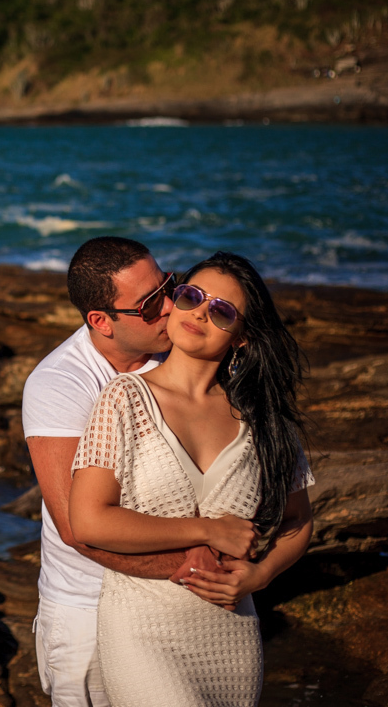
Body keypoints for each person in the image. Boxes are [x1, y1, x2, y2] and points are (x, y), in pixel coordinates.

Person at [68, 251, 315, 707]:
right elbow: (88, 521)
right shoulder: (124, 399)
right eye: (191, 296)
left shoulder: (264, 420)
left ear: (241, 337)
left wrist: (261, 574)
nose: (200, 311)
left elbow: (299, 520)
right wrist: (206, 529)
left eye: (221, 310)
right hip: (142, 631)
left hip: (231, 636)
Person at [22, 236, 221, 707]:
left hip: (174, 602)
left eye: (170, 286)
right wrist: (194, 569)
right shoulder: (61, 384)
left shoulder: (179, 355)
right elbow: (76, 528)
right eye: (150, 304)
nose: (171, 305)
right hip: (89, 611)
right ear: (101, 322)